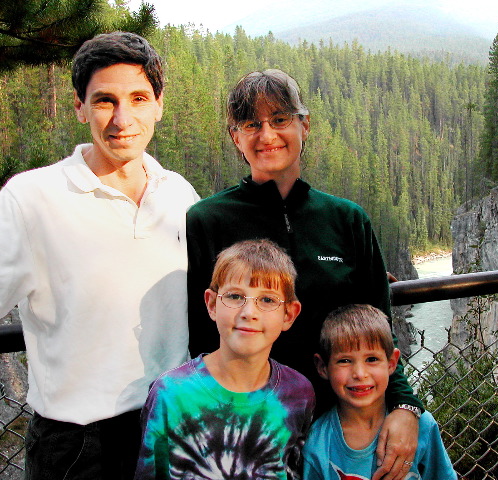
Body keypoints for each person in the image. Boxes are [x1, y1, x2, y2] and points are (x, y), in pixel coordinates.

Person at [0, 32, 199, 479]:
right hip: (78, 448)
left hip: (172, 428)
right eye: (104, 101)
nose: (122, 118)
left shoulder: (179, 194)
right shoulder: (32, 199)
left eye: (138, 97)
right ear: (79, 106)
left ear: (159, 105)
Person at [186, 69, 424, 480]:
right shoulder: (207, 221)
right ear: (235, 137)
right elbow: (201, 339)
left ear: (304, 125)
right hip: (252, 430)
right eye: (250, 124)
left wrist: (404, 407)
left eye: (280, 120)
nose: (267, 135)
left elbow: (382, 331)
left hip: (343, 426)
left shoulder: (347, 219)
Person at [135, 239, 315, 479]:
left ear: (289, 314)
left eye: (267, 300)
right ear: (211, 304)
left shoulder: (299, 393)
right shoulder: (171, 394)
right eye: (235, 296)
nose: (249, 313)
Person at [303, 304, 457, 480]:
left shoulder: (421, 426)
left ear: (392, 363)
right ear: (323, 367)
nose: (360, 374)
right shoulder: (318, 443)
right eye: (345, 360)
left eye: (372, 359)